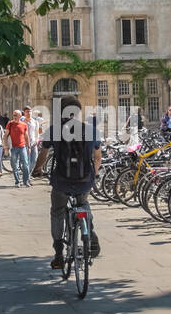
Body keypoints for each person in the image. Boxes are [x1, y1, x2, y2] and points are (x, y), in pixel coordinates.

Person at [31, 95, 102, 268]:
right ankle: (89, 229)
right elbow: (97, 157)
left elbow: (44, 154)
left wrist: (37, 169)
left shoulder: (54, 130)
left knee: (57, 212)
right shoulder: (91, 130)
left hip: (61, 181)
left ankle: (58, 254)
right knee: (83, 202)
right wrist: (95, 174)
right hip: (85, 180)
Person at [7, 110, 31, 187]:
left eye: (16, 115)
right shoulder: (10, 124)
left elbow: (26, 136)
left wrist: (29, 147)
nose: (14, 116)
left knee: (25, 164)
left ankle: (25, 181)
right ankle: (17, 181)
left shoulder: (24, 125)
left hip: (22, 147)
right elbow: (5, 135)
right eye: (13, 115)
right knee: (14, 165)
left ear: (20, 116)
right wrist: (5, 147)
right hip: (13, 148)